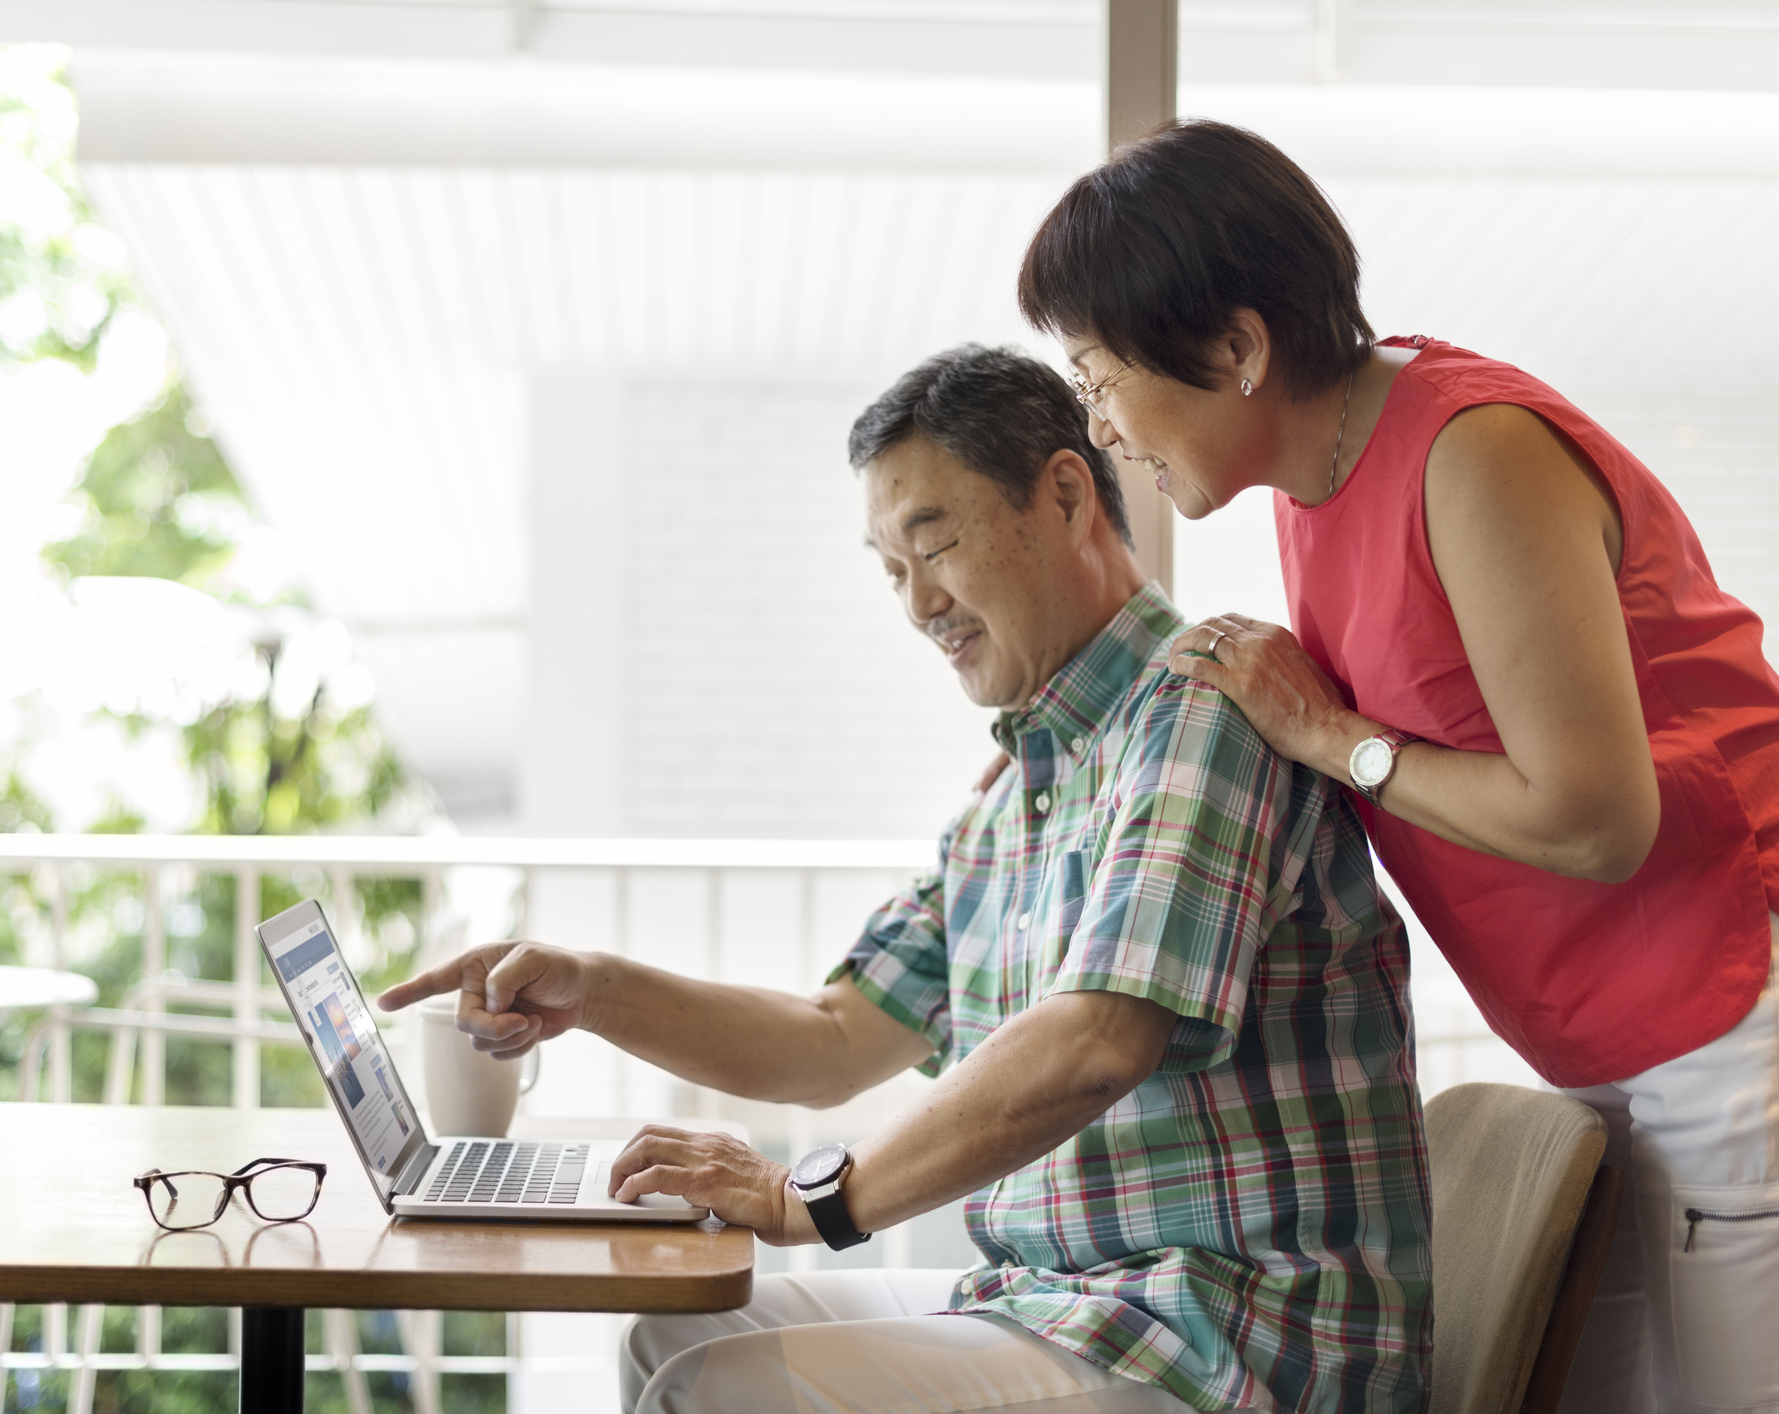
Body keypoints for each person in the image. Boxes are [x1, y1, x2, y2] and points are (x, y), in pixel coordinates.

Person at [380, 344, 1431, 1414]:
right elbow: (833, 1035)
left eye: (935, 545)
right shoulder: (1020, 786)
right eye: (890, 569)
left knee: (725, 1390)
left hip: (1226, 1344)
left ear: (1066, 493)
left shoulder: (1201, 709)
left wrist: (807, 1200)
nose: (919, 602)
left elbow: (1096, 1040)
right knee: (676, 1335)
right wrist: (592, 986)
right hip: (1063, 1304)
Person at [1014, 119, 1779, 1414]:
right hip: (1607, 1037)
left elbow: (1593, 819)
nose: (1096, 425)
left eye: (1095, 376)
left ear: (1236, 347)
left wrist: (1334, 739)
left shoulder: (1469, 452)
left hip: (1725, 1005)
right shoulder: (1310, 485)